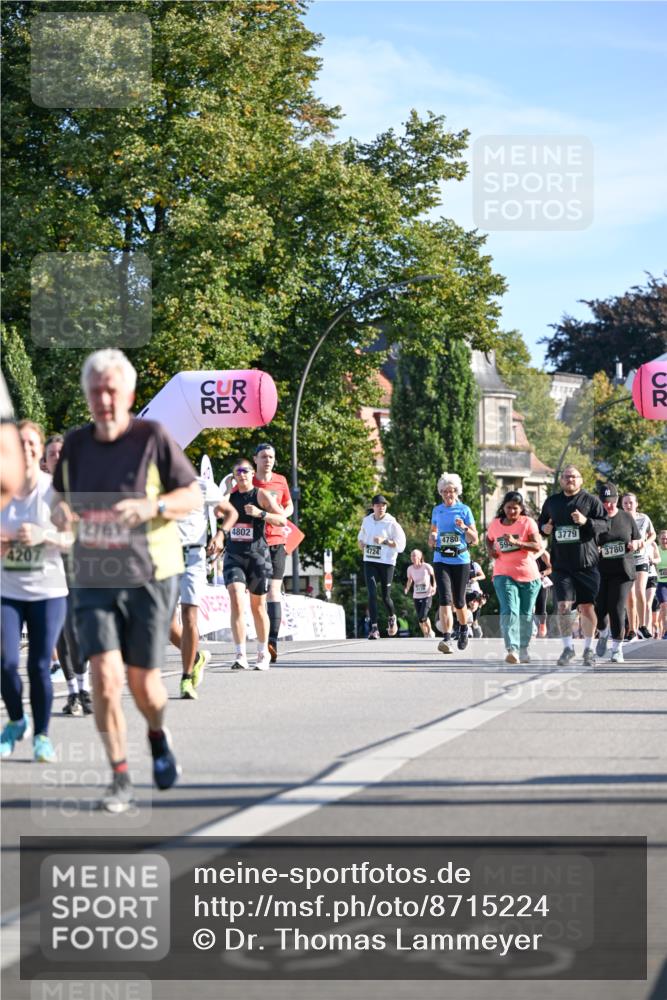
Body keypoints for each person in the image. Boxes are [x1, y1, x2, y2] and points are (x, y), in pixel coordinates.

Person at [51, 349, 202, 814]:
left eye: (112, 390)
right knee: (104, 676)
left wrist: (151, 508)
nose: (104, 400)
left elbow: (192, 495)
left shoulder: (152, 437)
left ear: (130, 395)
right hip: (93, 576)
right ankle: (119, 777)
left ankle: (157, 735)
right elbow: (59, 497)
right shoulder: (76, 445)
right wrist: (62, 520)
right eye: (95, 392)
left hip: (149, 575)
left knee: (146, 687)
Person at [1, 421, 69, 761]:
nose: (25, 449)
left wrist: (46, 536)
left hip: (48, 591)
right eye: (20, 443)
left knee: (39, 666)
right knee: (5, 661)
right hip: (8, 591)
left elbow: (73, 538)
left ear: (39, 452)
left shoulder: (53, 490)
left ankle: (42, 736)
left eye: (32, 444)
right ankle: (16, 721)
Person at [209, 459, 286, 670]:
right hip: (234, 556)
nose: (242, 474)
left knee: (258, 607)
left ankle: (262, 653)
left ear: (252, 473)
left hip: (258, 557)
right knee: (235, 599)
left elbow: (282, 520)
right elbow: (216, 513)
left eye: (246, 471)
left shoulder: (261, 495)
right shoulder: (230, 498)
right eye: (238, 471)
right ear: (234, 475)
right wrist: (224, 493)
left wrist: (261, 513)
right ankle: (240, 654)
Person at [538, 466, 608, 667]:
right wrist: (544, 528)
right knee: (563, 607)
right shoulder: (552, 502)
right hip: (561, 566)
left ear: (581, 480)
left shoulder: (591, 501)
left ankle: (588, 649)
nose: (570, 480)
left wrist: (586, 521)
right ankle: (568, 648)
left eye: (574, 477)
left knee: (586, 607)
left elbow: (605, 525)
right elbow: (541, 524)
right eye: (566, 477)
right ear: (561, 480)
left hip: (586, 564)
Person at [168, 475, 214, 700]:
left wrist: (222, 533)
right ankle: (196, 658)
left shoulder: (201, 484)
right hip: (165, 555)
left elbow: (228, 510)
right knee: (165, 625)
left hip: (193, 556)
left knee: (188, 616)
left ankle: (186, 678)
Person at [486, 490, 543, 664]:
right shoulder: (495, 524)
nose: (511, 512)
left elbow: (536, 545)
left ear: (521, 509)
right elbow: (489, 539)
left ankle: (524, 647)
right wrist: (490, 550)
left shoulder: (527, 523)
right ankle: (512, 649)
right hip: (503, 574)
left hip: (529, 576)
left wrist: (517, 542)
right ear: (503, 507)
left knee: (525, 614)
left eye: (515, 508)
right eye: (509, 508)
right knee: (509, 610)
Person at [428, 473, 478, 654]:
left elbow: (475, 539)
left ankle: (464, 629)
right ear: (440, 493)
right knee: (444, 599)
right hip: (441, 559)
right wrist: (432, 537)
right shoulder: (437, 510)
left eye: (452, 491)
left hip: (461, 559)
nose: (449, 495)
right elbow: (432, 533)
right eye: (445, 492)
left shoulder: (464, 510)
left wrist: (464, 527)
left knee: (459, 601)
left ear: (457, 492)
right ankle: (447, 638)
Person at [252, 442, 293, 662]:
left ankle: (272, 642)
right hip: (255, 542)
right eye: (264, 456)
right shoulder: (249, 481)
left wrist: (282, 514)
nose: (268, 460)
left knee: (274, 591)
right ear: (255, 460)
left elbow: (289, 506)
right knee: (258, 592)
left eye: (271, 457)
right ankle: (261, 638)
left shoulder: (281, 480)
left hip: (277, 539)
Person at [594, 483, 642, 664]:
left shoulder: (626, 518)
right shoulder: (596, 520)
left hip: (623, 571)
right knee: (600, 609)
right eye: (606, 502)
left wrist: (635, 544)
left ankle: (617, 648)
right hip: (601, 571)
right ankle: (604, 633)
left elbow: (638, 539)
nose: (609, 505)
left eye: (613, 501)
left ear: (617, 500)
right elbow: (588, 542)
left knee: (616, 606)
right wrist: (595, 548)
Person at [357, 494, 406, 640]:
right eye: (378, 505)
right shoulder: (367, 521)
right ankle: (374, 628)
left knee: (385, 597)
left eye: (383, 505)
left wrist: (384, 541)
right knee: (371, 594)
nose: (381, 508)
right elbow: (361, 536)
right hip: (370, 561)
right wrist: (360, 543)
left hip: (386, 563)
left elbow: (401, 545)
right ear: (373, 507)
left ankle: (392, 617)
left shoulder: (391, 523)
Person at [620, 493, 656, 640]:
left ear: (636, 504)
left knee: (640, 591)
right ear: (622, 505)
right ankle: (632, 630)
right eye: (625, 503)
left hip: (641, 559)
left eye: (631, 503)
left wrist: (644, 543)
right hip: (626, 560)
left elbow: (652, 534)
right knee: (630, 596)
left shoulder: (644, 518)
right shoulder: (619, 519)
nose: (628, 505)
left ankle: (643, 626)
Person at [404, 549, 436, 637]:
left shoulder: (426, 566)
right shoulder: (410, 569)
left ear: (419, 557)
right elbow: (410, 580)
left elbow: (433, 577)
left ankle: (430, 631)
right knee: (420, 618)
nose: (412, 557)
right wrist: (407, 588)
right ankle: (425, 634)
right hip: (417, 595)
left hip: (427, 594)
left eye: (414, 555)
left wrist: (434, 587)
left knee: (423, 615)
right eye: (411, 556)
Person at [533, 547, 553, 638]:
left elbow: (550, 568)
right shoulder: (524, 551)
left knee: (541, 606)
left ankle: (542, 623)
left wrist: (542, 574)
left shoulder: (543, 554)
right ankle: (530, 628)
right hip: (527, 581)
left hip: (541, 582)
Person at [656, 529, 667, 640]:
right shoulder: (657, 550)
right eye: (663, 538)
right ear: (659, 539)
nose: (665, 540)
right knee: (664, 606)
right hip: (661, 583)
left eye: (666, 539)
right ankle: (666, 631)